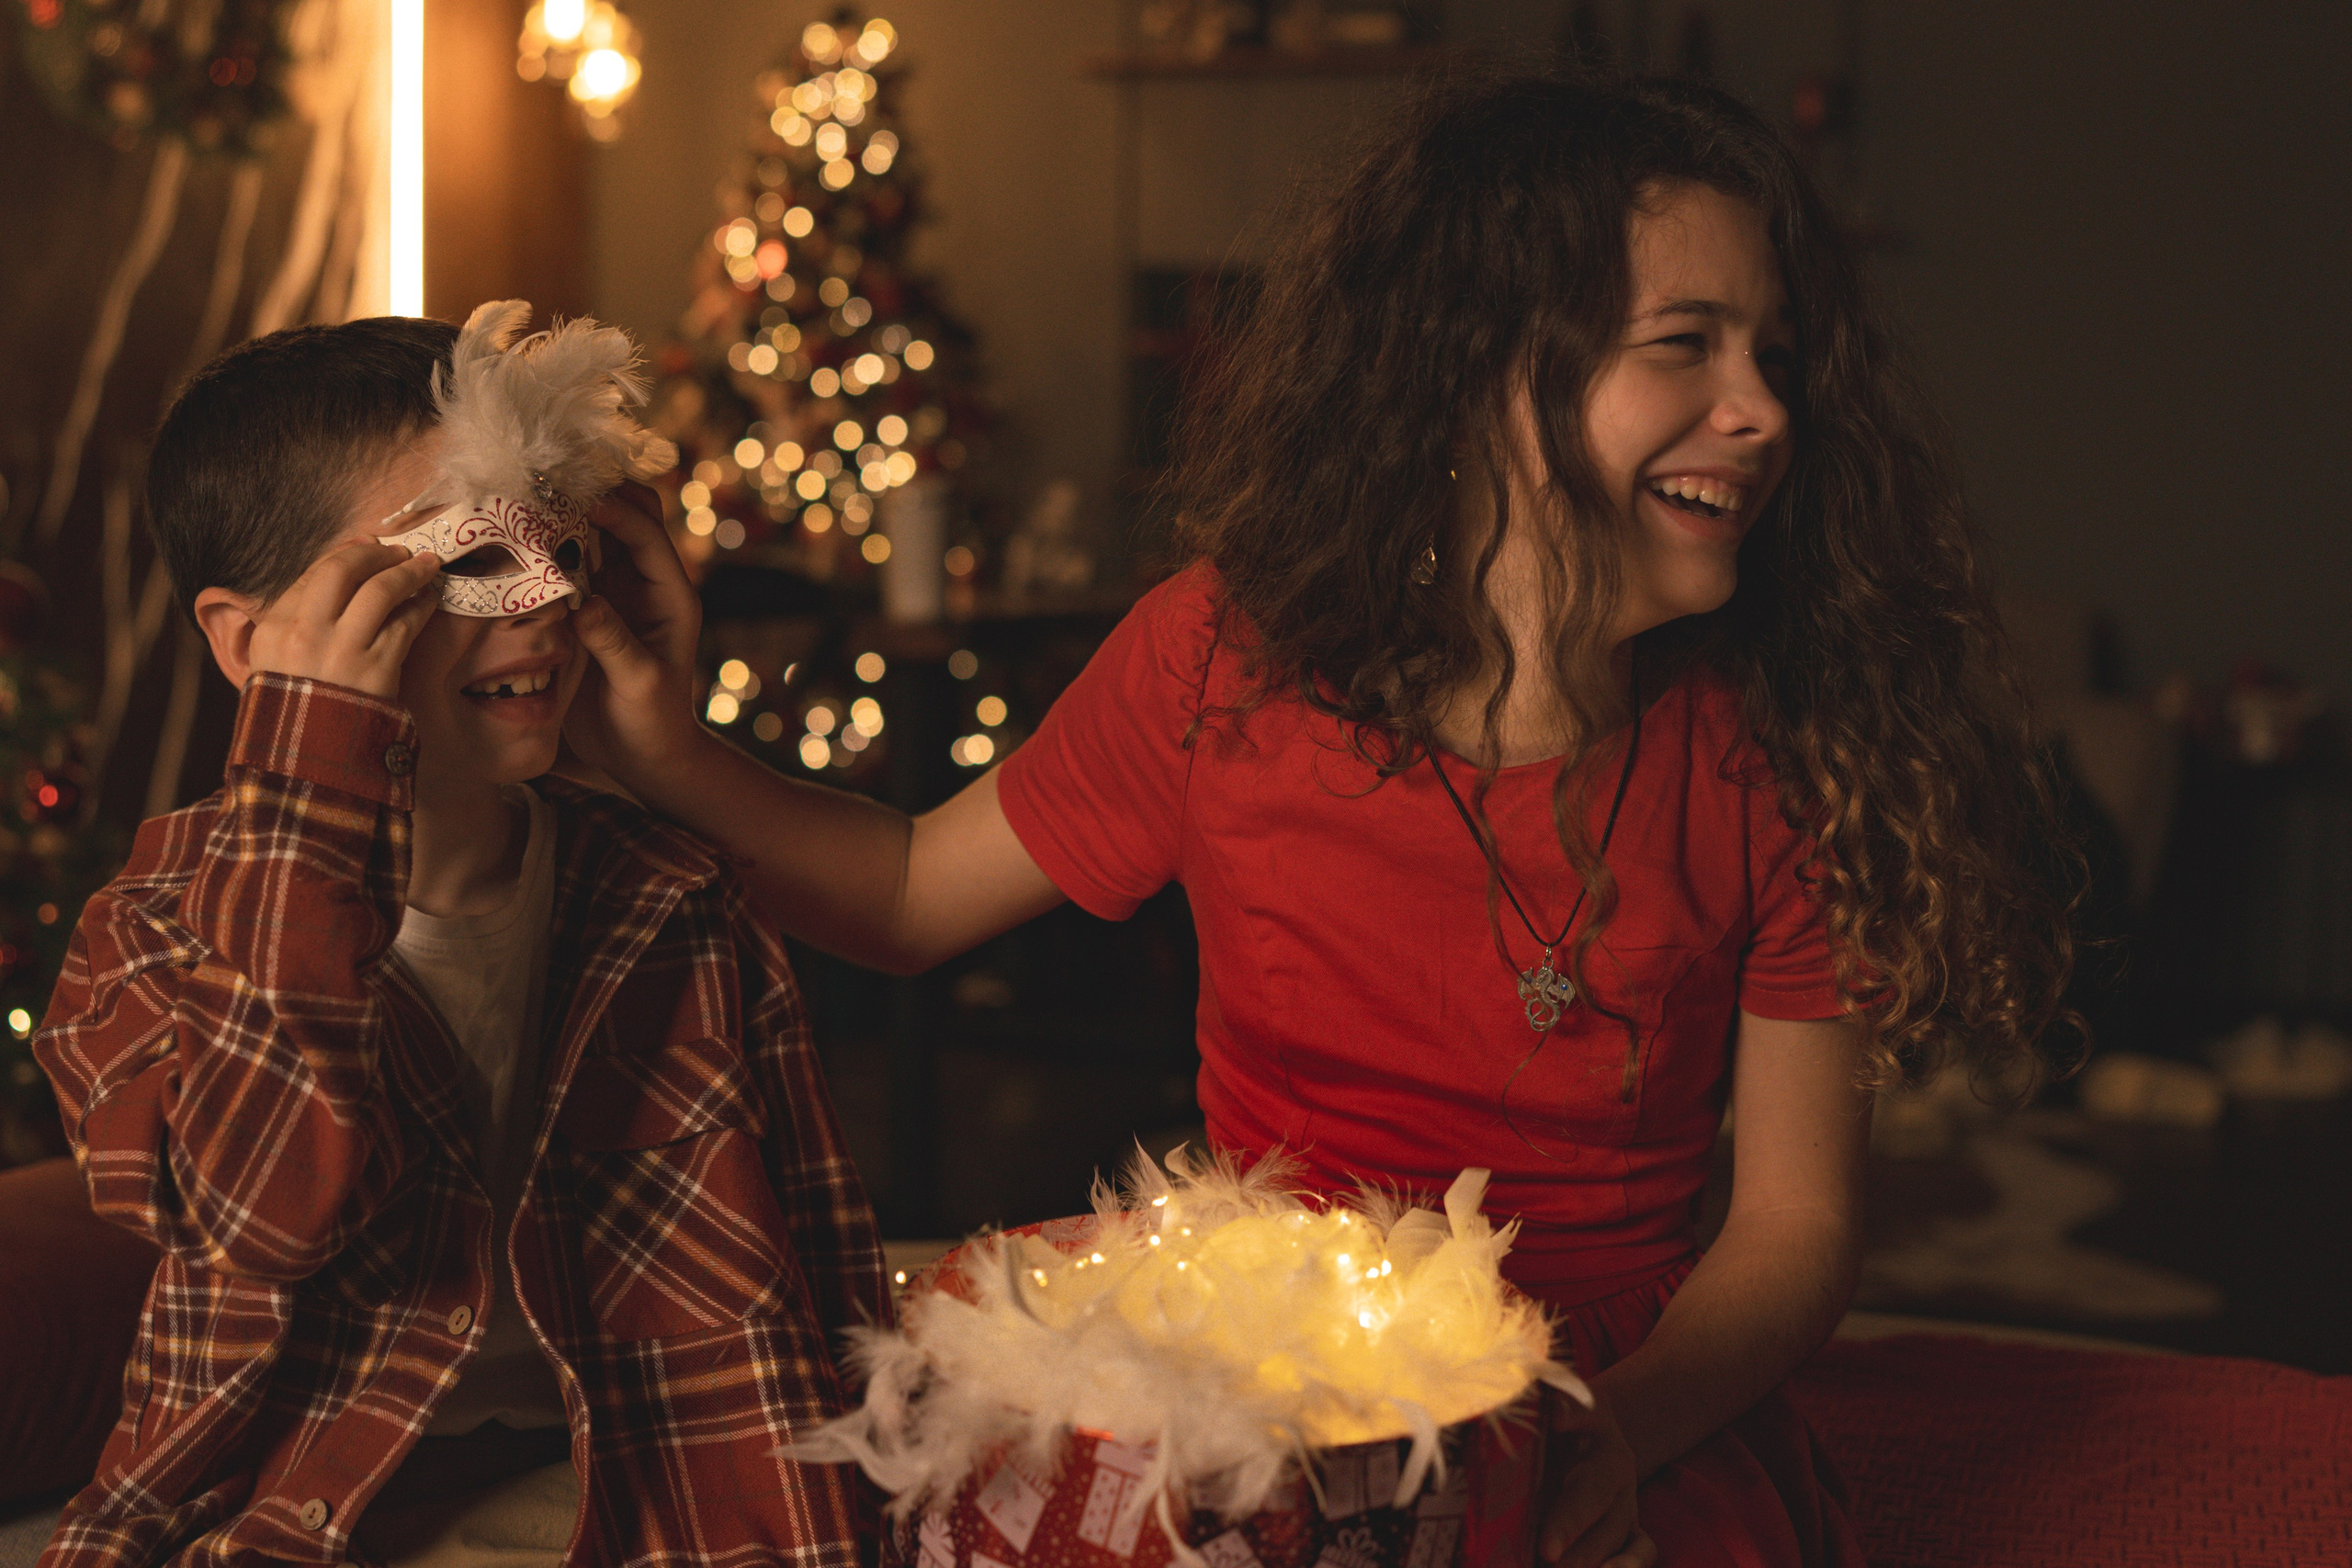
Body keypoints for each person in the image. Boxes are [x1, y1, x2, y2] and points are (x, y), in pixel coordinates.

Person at [567, 70, 2080, 1568]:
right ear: (1478, 375)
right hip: (1266, 1384)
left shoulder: (1790, 743)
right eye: (1686, 346)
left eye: (1776, 358)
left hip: (1619, 1401)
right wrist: (665, 748)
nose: (1759, 413)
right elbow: (902, 896)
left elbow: (1798, 1229)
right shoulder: (1219, 656)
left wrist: (1622, 1425)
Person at [34, 312, 888, 1568]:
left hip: (662, 1476)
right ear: (250, 641)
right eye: (461, 563)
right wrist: (313, 776)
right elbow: (256, 1218)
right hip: (307, 1489)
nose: (541, 604)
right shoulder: (152, 925)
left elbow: (817, 1242)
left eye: (566, 552)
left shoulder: (669, 890)